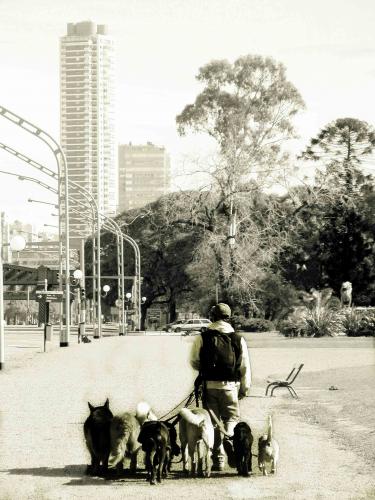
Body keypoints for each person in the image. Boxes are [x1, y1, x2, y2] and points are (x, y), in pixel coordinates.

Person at [190, 303, 251, 471]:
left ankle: (219, 460)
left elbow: (194, 361)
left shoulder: (203, 337)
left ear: (212, 317)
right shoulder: (238, 338)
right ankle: (229, 437)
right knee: (231, 419)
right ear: (228, 317)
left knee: (212, 423)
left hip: (209, 386)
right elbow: (244, 366)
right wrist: (245, 388)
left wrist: (204, 370)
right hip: (231, 386)